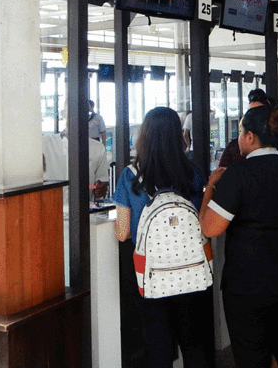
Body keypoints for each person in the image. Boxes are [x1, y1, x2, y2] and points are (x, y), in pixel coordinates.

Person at [200, 105, 278, 368]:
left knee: (252, 354)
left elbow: (210, 228)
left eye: (240, 133)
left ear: (250, 136)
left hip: (249, 283)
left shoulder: (237, 175)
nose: (238, 140)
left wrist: (210, 187)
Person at [113, 107, 211, 368]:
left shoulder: (130, 176)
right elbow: (202, 220)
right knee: (194, 343)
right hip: (191, 270)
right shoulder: (193, 173)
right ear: (178, 136)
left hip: (151, 274)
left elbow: (122, 232)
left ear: (144, 137)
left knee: (158, 345)